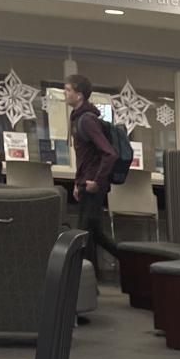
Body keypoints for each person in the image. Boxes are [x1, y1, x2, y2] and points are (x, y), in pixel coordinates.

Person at [64, 74, 119, 278]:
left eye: (68, 90)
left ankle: (85, 281)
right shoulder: (77, 118)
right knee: (94, 233)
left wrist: (97, 181)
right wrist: (77, 183)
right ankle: (129, 263)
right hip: (86, 182)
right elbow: (84, 156)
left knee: (84, 234)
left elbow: (109, 153)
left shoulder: (87, 120)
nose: (65, 93)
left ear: (79, 95)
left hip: (93, 185)